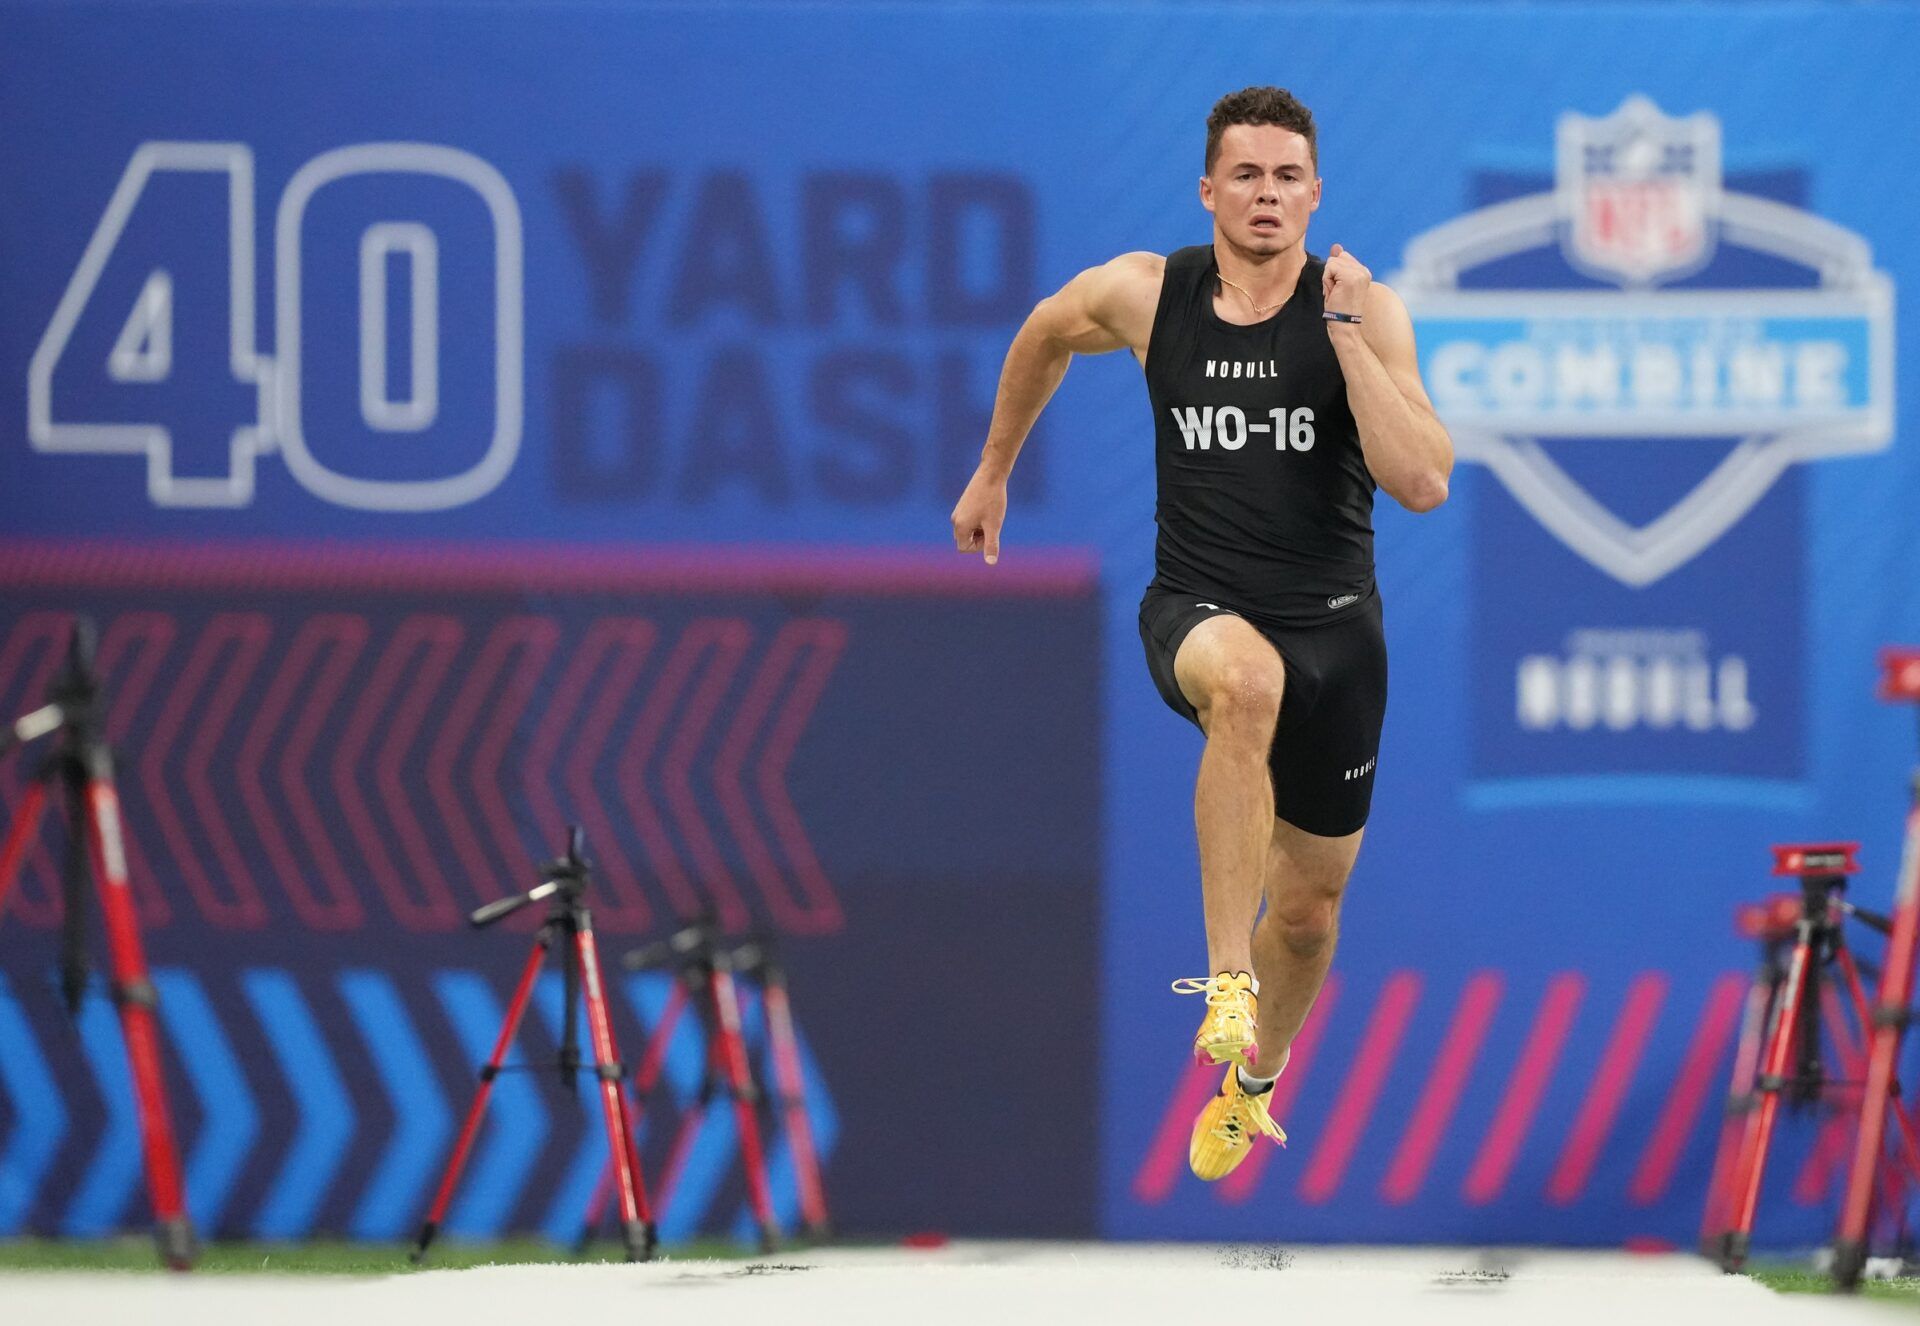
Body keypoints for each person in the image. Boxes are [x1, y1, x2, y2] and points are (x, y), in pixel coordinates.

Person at [949, 86, 1452, 1181]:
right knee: (1246, 686)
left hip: (1340, 637)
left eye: (1286, 177)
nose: (1266, 195)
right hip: (1199, 608)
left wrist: (1353, 341)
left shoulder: (1368, 309)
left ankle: (1252, 1080)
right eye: (1246, 175)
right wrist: (995, 469)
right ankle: (1226, 978)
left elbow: (1422, 483)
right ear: (1209, 189)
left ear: (1314, 193)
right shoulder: (1148, 293)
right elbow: (1042, 333)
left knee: (1312, 912)